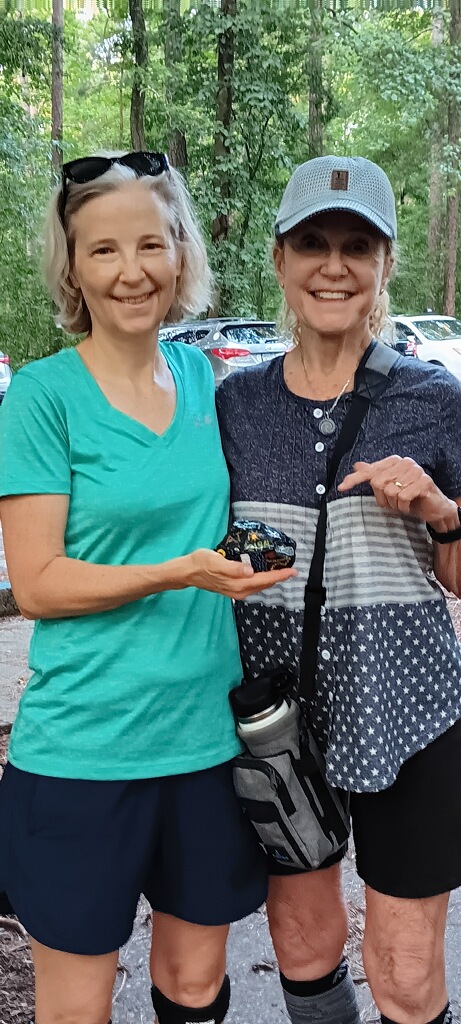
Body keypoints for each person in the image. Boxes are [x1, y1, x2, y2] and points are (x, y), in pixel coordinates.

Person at [0, 151, 296, 1024]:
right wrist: (180, 571)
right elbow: (40, 585)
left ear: (179, 254)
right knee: (78, 1006)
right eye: (102, 251)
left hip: (205, 749)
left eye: (149, 244)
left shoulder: (208, 381)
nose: (130, 272)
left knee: (196, 986)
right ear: (73, 266)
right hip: (84, 754)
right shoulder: (42, 398)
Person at [216, 155, 461, 1024]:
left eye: (357, 245)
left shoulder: (434, 398)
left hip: (408, 708)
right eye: (312, 242)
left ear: (385, 265)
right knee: (305, 942)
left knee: (400, 969)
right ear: (279, 261)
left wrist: (439, 511)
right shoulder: (234, 403)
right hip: (280, 723)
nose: (333, 265)